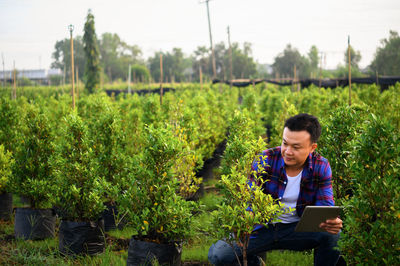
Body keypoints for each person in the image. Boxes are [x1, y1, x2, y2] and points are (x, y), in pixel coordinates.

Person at [208, 113, 343, 266]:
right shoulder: (265, 159)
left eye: (296, 147)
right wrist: (247, 218)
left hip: (297, 230)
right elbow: (250, 198)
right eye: (285, 143)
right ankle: (256, 263)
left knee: (334, 235)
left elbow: (325, 204)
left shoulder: (321, 165)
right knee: (218, 255)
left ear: (312, 148)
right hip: (262, 229)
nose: (288, 151)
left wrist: (330, 221)